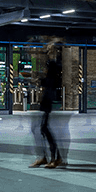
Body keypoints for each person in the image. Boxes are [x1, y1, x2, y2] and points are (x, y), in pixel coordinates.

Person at [31, 39, 64, 169]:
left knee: (44, 129)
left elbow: (51, 81)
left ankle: (55, 158)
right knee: (39, 129)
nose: (48, 50)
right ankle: (47, 157)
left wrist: (41, 80)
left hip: (48, 100)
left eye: (50, 48)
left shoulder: (55, 65)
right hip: (46, 100)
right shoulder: (52, 65)